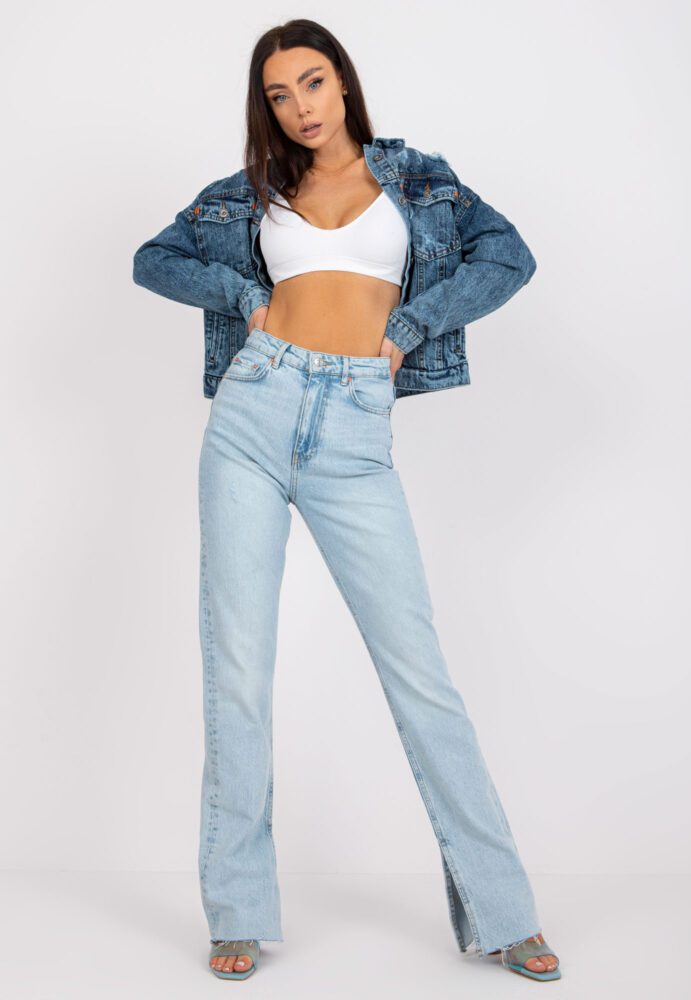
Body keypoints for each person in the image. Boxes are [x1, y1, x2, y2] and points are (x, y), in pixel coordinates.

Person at [132, 17, 560, 984]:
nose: (300, 107)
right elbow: (152, 259)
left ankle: (506, 912)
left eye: (313, 82)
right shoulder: (250, 193)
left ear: (345, 82)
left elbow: (509, 257)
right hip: (252, 410)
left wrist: (410, 326)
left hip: (356, 426)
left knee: (421, 676)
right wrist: (245, 301)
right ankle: (237, 908)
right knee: (238, 671)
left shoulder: (419, 181)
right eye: (279, 95)